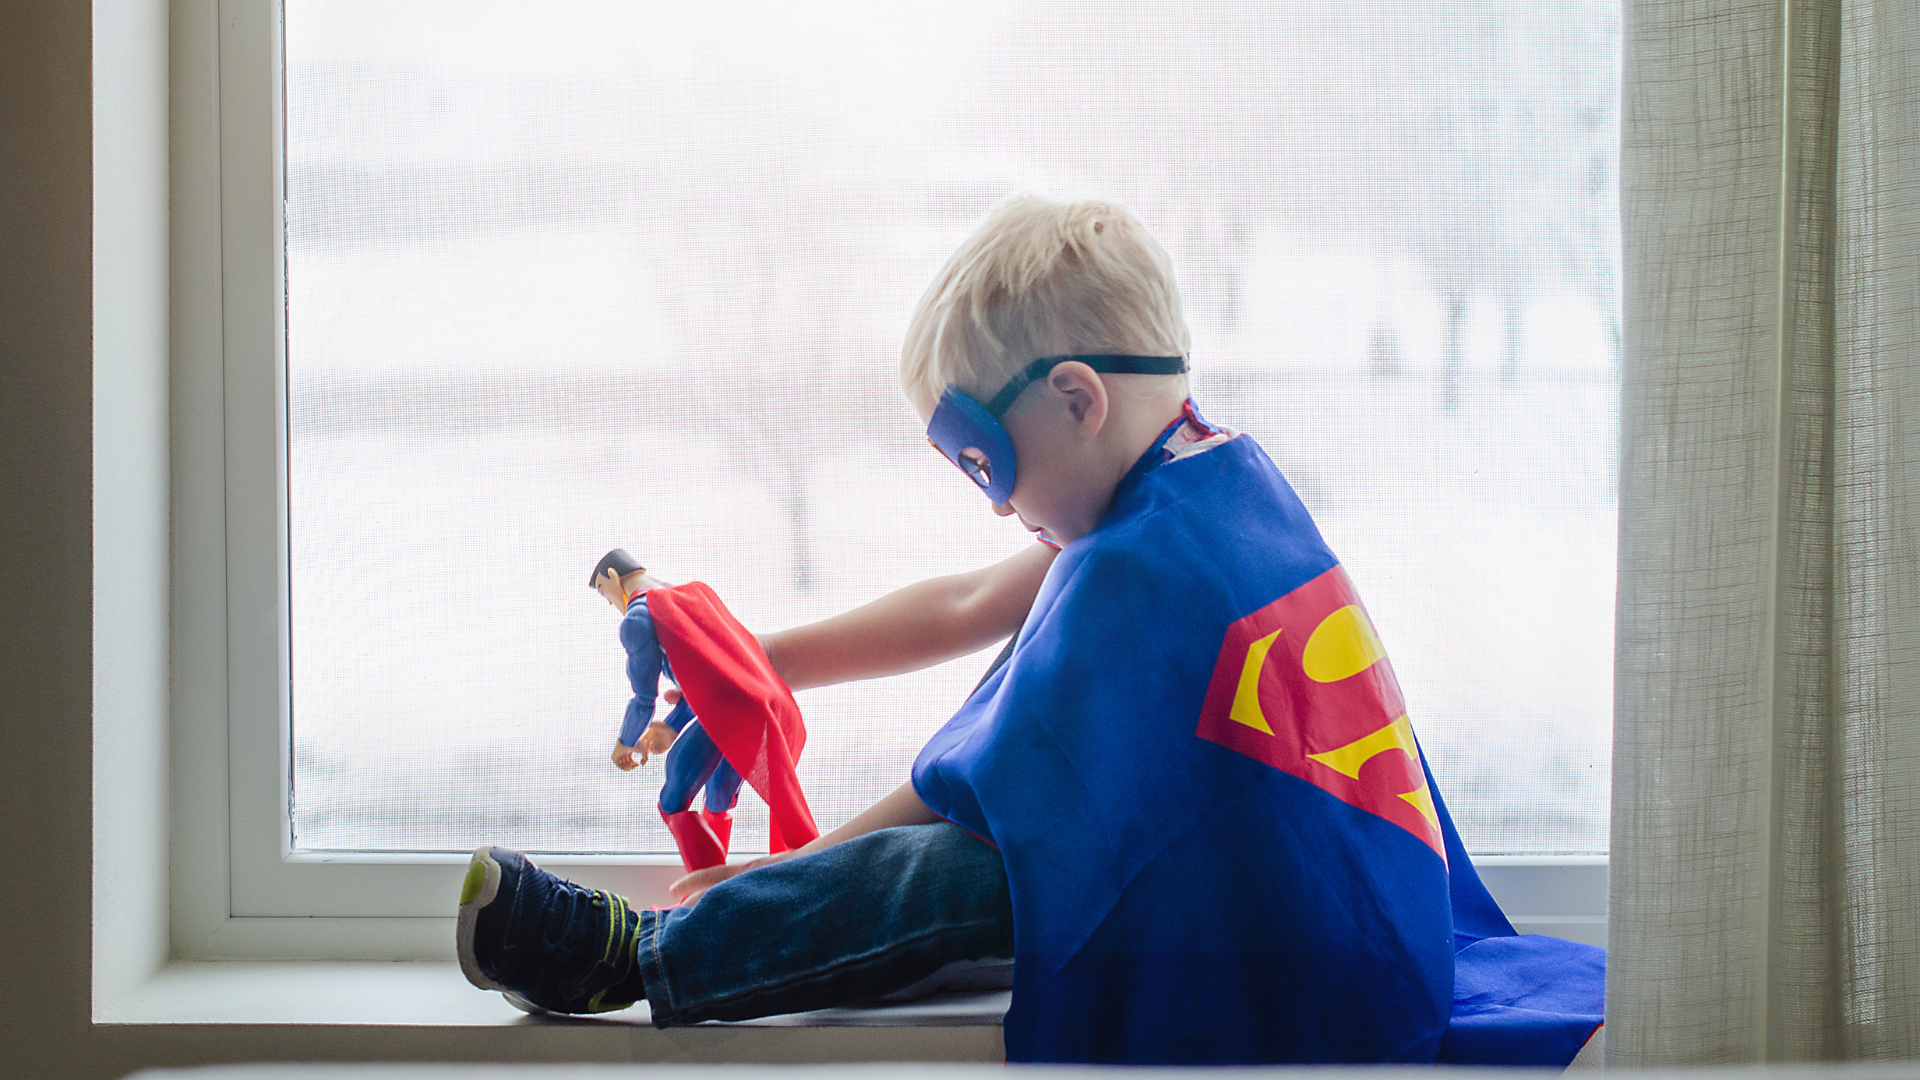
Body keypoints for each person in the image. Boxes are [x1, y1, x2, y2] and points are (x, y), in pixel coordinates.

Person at [455, 194, 1604, 1064]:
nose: (997, 502)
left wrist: (787, 870)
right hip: (1338, 902)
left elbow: (970, 796)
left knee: (947, 879)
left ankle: (634, 958)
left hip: (1282, 929)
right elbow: (974, 602)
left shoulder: (1147, 572)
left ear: (1075, 398)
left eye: (987, 465)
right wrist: (769, 662)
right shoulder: (1209, 481)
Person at [590, 549, 746, 873]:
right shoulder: (681, 595)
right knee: (718, 799)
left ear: (614, 578)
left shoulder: (637, 618)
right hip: (748, 703)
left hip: (722, 709)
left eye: (605, 593)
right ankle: (717, 895)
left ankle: (708, 893)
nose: (610, 603)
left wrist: (625, 741)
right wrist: (673, 725)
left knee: (672, 803)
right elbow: (710, 672)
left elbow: (644, 698)